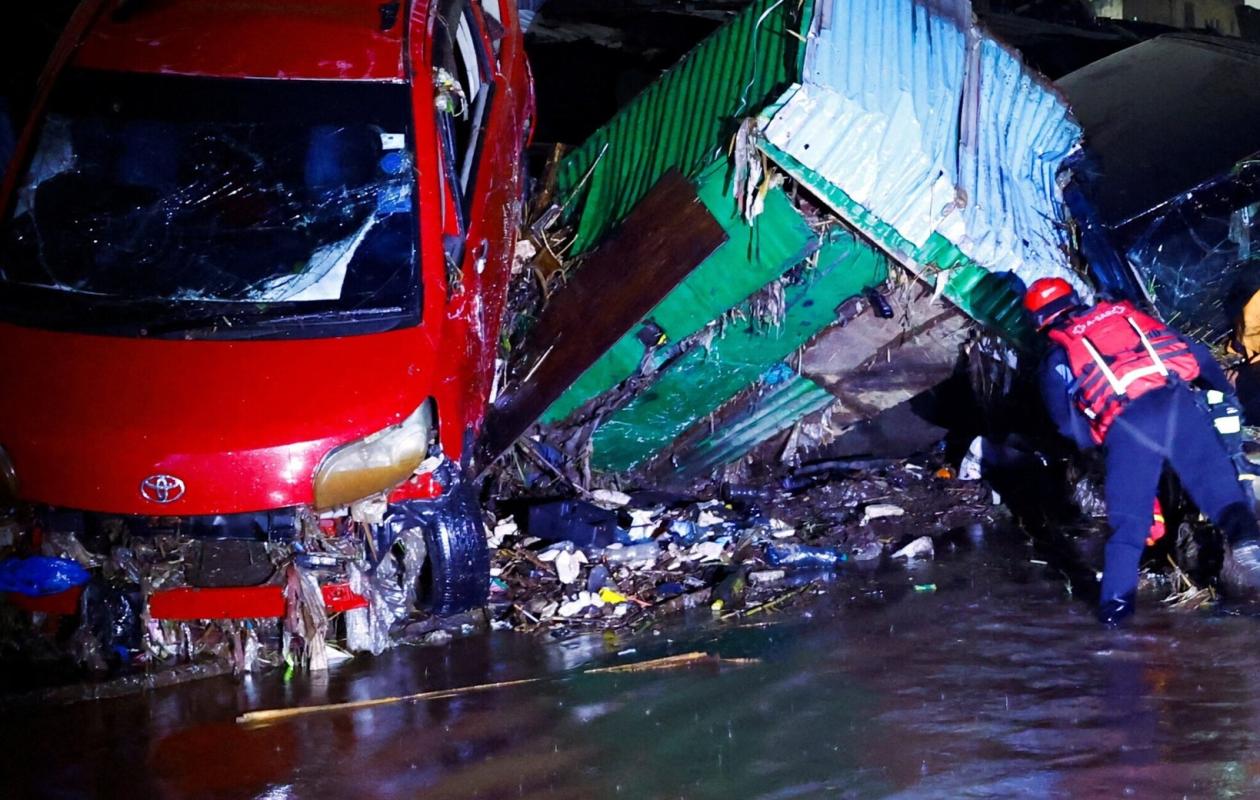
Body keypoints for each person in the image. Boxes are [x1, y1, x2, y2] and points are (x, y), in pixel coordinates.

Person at [1026, 277, 1260, 624]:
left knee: (1129, 532)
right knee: (1227, 502)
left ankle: (1116, 628)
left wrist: (1099, 445)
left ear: (1038, 321)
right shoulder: (1124, 317)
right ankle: (1250, 554)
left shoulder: (1058, 355)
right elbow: (1194, 355)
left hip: (1130, 428)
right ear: (1075, 298)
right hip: (1179, 405)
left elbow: (1065, 424)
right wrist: (1223, 394)